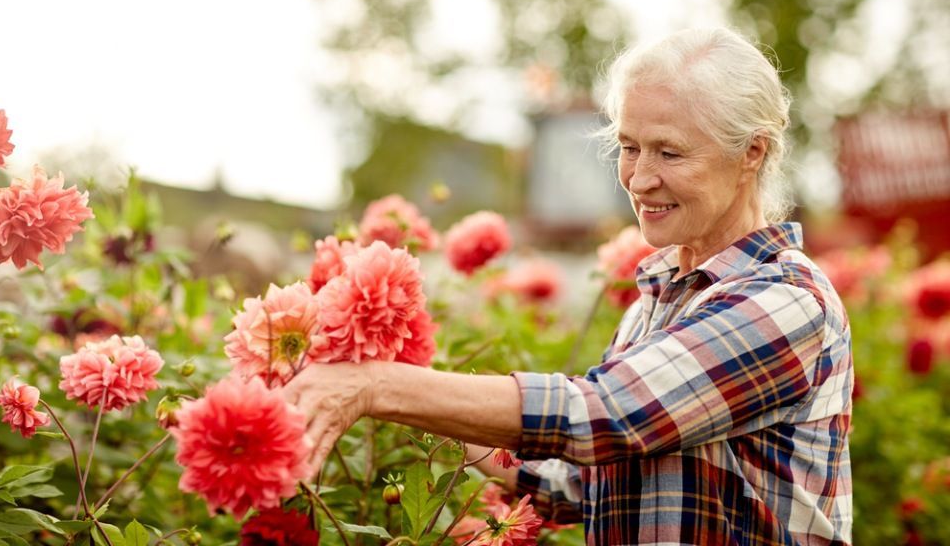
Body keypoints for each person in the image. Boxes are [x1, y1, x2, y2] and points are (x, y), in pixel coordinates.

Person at [283, 27, 853, 546]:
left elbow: (607, 415)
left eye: (669, 152)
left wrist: (378, 385)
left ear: (751, 152)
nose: (639, 177)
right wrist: (419, 395)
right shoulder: (662, 300)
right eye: (629, 147)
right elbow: (577, 486)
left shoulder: (783, 300)